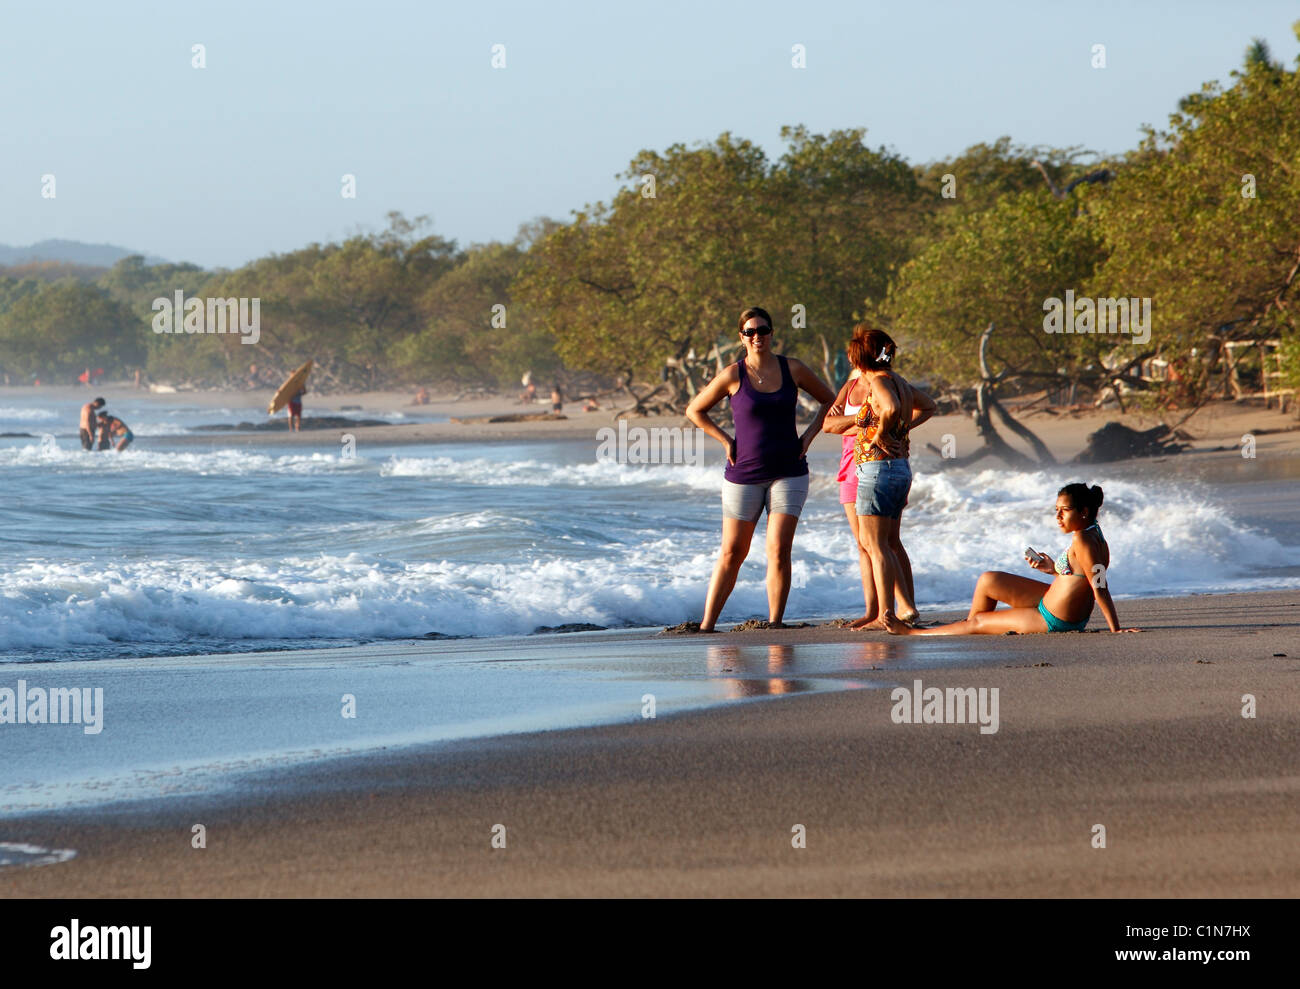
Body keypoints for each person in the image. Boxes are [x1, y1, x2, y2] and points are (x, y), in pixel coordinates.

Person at [687, 306, 836, 631]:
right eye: (750, 332)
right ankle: (707, 625)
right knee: (732, 551)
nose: (758, 337)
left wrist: (808, 437)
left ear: (772, 333)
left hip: (790, 472)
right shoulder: (732, 374)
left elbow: (830, 400)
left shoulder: (792, 368)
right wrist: (726, 441)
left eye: (763, 330)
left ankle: (775, 623)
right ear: (742, 337)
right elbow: (695, 410)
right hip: (743, 475)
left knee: (779, 549)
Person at [885, 483, 1140, 635]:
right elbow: (1079, 577)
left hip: (1054, 619)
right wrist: (1052, 568)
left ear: (1083, 512)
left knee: (979, 621)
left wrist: (1115, 629)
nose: (1058, 517)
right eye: (1056, 511)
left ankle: (913, 633)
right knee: (988, 580)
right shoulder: (1092, 531)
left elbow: (1099, 586)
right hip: (1049, 601)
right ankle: (967, 627)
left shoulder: (1083, 540)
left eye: (1064, 511)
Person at [840, 326, 936, 629]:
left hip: (877, 467)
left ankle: (886, 614)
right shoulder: (900, 381)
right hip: (900, 468)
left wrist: (880, 434)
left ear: (861, 358)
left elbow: (891, 408)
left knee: (874, 544)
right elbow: (929, 405)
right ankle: (901, 609)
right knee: (888, 542)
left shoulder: (880, 381)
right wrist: (901, 430)